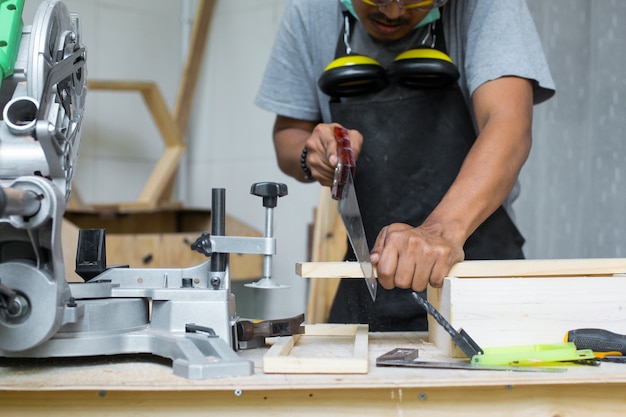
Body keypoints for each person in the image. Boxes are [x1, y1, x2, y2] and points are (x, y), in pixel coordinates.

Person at [255, 0, 555, 331]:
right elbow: (289, 132)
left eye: (417, 1)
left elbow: (508, 123)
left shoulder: (487, 6)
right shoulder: (309, 11)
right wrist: (311, 154)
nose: (394, 13)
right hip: (371, 277)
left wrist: (440, 231)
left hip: (478, 278)